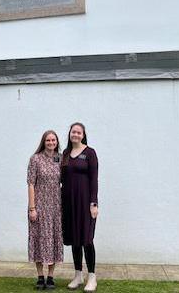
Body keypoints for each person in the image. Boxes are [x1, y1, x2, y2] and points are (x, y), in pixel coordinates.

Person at [61, 122, 99, 292]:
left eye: (78, 132)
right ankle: (78, 275)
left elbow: (94, 180)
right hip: (68, 202)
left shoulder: (90, 153)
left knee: (86, 240)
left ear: (83, 135)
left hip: (85, 203)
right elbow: (59, 177)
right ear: (69, 134)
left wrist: (94, 203)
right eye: (73, 132)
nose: (75, 134)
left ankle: (92, 277)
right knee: (75, 240)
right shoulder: (65, 154)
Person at [27, 130, 63, 290]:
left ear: (57, 142)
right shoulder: (35, 159)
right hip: (39, 207)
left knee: (54, 240)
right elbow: (30, 184)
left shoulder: (60, 158)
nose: (51, 143)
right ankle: (40, 276)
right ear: (44, 142)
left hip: (56, 207)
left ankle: (51, 277)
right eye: (48, 140)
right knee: (39, 240)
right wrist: (32, 208)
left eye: (53, 140)